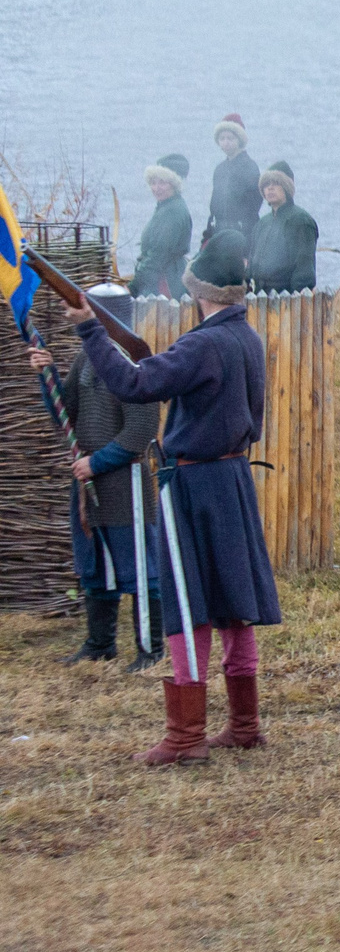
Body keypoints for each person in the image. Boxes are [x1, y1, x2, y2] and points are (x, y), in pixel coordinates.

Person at [68, 234, 282, 763]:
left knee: (189, 604)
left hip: (196, 484)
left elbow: (134, 385)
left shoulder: (204, 344)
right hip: (230, 479)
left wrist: (90, 330)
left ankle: (186, 738)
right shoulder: (244, 338)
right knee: (233, 603)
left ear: (199, 289)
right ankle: (244, 725)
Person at [27, 283, 163, 669]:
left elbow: (140, 432)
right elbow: (64, 416)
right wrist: (47, 374)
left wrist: (97, 463)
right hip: (89, 482)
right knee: (95, 564)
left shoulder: (135, 361)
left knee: (140, 566)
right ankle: (100, 644)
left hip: (125, 484)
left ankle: (150, 650)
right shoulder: (87, 358)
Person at [246, 163, 319, 294]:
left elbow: (304, 268)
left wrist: (296, 299)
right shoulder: (262, 224)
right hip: (260, 297)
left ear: (287, 187)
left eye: (276, 183)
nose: (270, 188)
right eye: (266, 184)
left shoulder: (301, 221)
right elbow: (252, 265)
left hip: (287, 298)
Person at [130, 155, 193, 301]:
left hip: (165, 281)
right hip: (169, 275)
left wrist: (133, 286)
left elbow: (158, 256)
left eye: (162, 183)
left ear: (174, 184)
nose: (156, 188)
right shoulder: (167, 206)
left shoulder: (172, 211)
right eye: (153, 183)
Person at [204, 115, 260, 244]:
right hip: (219, 232)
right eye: (222, 138)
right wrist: (208, 236)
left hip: (242, 233)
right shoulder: (220, 169)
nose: (226, 142)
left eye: (230, 138)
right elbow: (214, 206)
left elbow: (253, 205)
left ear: (240, 140)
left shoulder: (249, 167)